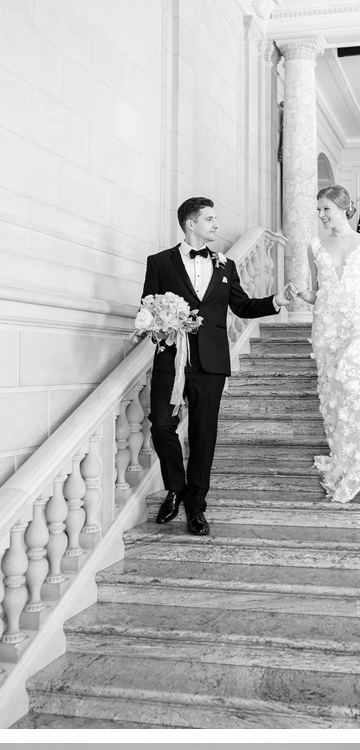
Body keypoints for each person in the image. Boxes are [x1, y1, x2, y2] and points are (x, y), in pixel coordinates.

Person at [140, 198, 279, 537]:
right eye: (210, 219)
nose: (216, 225)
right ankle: (176, 487)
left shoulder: (225, 265)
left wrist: (276, 302)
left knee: (204, 435)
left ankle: (196, 505)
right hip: (172, 359)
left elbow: (242, 306)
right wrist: (163, 322)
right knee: (161, 424)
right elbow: (146, 308)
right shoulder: (160, 262)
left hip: (211, 362)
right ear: (191, 224)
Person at [281, 186, 360, 503]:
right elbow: (317, 292)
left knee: (358, 390)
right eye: (319, 210)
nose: (321, 215)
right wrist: (299, 293)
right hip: (326, 328)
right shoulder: (315, 247)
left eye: (326, 209)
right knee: (336, 397)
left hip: (359, 323)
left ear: (343, 208)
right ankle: (351, 457)